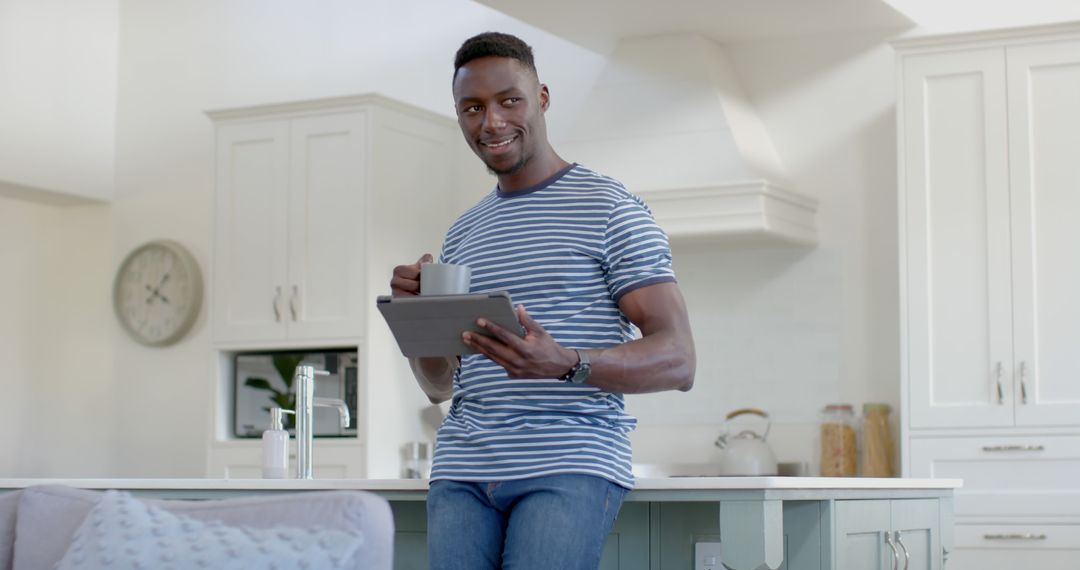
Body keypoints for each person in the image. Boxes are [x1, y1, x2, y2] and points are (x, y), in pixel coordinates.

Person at [390, 31, 696, 570]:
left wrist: (568, 364)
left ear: (543, 99)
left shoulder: (609, 208)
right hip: (462, 469)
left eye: (510, 100)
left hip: (568, 462)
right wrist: (418, 321)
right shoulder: (464, 233)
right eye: (473, 107)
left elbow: (679, 359)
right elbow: (440, 383)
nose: (492, 122)